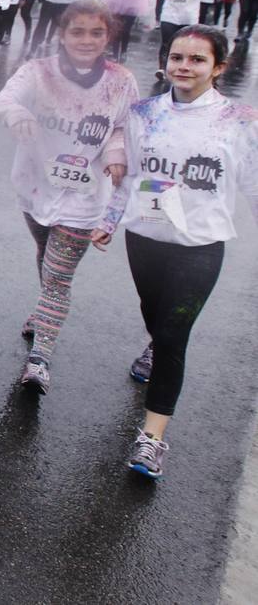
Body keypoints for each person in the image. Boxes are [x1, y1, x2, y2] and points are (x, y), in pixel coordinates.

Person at [91, 26, 258, 480]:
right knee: (155, 318)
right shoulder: (144, 112)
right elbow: (131, 174)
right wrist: (109, 221)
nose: (184, 67)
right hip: (144, 238)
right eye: (178, 57)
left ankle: (152, 438)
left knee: (172, 336)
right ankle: (155, 345)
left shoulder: (239, 120)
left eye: (197, 60)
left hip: (199, 247)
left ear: (218, 68)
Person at [0, 0, 137, 393]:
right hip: (35, 188)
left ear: (109, 36)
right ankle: (44, 312)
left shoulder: (121, 81)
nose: (87, 40)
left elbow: (124, 126)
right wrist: (16, 115)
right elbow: (1, 101)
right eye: (78, 32)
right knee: (44, 253)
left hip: (86, 197)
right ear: (62, 34)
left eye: (96, 33)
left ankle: (40, 358)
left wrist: (117, 154)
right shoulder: (38, 72)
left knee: (58, 276)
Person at [156, 0, 212, 81]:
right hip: (170, 13)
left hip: (188, 15)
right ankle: (162, 68)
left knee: (184, 45)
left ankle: (181, 69)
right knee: (166, 42)